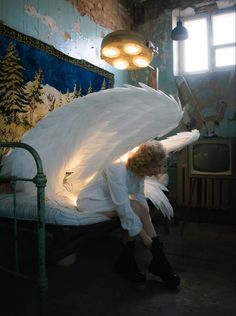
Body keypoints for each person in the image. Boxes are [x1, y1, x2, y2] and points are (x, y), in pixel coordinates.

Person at [76, 140, 180, 287]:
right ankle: (153, 261)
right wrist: (146, 239)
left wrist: (151, 234)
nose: (158, 170)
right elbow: (124, 208)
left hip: (110, 200)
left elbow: (140, 198)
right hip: (92, 201)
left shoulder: (139, 171)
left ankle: (140, 261)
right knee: (132, 209)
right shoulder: (117, 167)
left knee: (139, 208)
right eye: (155, 165)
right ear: (144, 161)